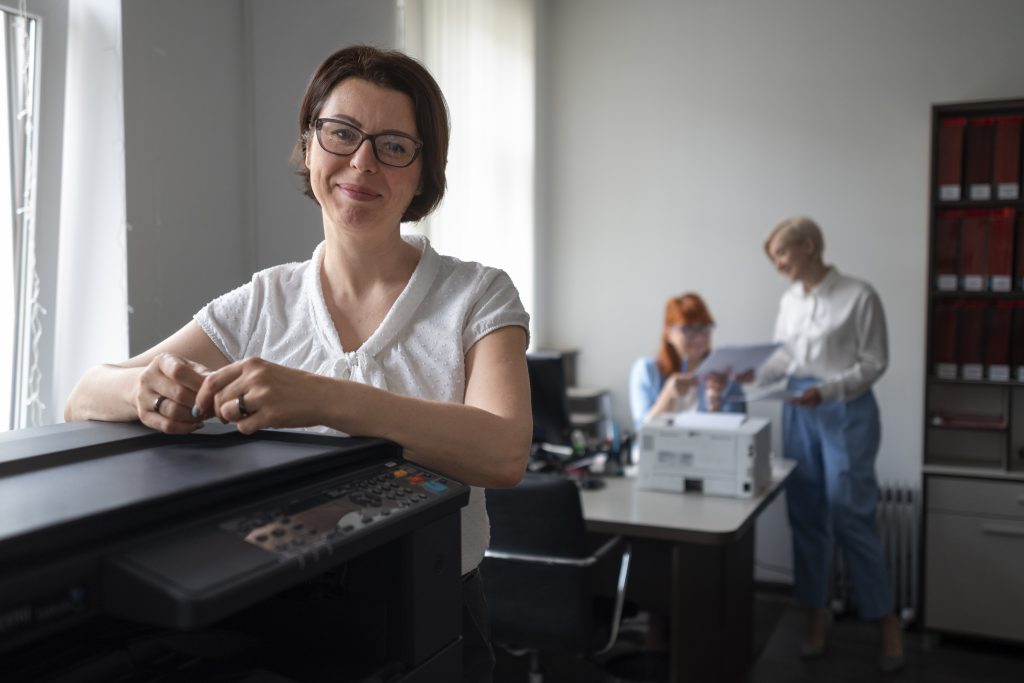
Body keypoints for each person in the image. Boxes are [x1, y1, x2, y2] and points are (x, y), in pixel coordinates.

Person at [64, 45, 531, 683]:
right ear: (309, 147)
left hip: (432, 615)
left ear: (424, 173)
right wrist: (146, 389)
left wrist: (323, 397)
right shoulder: (260, 303)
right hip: (270, 619)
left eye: (394, 145)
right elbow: (86, 395)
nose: (361, 162)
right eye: (341, 134)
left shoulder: (478, 294)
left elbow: (503, 452)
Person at [758, 215, 904, 673]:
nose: (777, 263)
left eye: (782, 253)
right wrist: (749, 374)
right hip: (799, 407)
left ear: (808, 246)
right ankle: (816, 618)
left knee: (851, 516)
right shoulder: (789, 300)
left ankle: (886, 623)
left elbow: (875, 362)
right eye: (774, 257)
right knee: (806, 517)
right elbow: (785, 356)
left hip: (846, 409)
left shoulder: (859, 295)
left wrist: (829, 390)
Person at [628, 292, 744, 431]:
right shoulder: (647, 370)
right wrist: (668, 396)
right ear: (669, 333)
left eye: (704, 328)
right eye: (688, 329)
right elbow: (642, 431)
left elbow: (740, 433)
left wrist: (715, 406)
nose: (699, 338)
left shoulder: (724, 374)